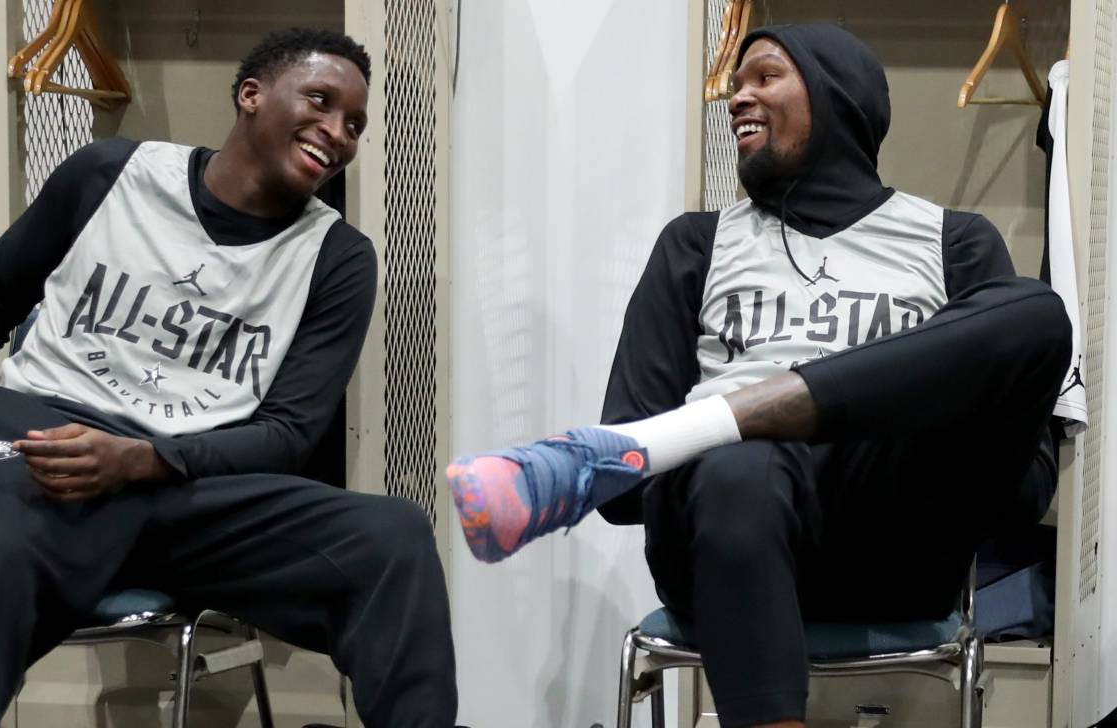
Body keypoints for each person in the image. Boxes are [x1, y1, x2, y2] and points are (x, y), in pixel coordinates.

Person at [446, 24, 1067, 728]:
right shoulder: (696, 244)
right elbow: (625, 498)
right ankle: (731, 433)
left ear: (839, 97)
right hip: (725, 532)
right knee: (742, 466)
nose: (738, 97)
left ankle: (720, 418)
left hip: (895, 542)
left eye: (765, 77)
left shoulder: (954, 242)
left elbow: (1024, 488)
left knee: (1037, 313)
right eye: (736, 85)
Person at [0, 28, 456, 728]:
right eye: (320, 100)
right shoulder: (110, 174)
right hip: (40, 450)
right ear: (251, 94)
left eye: (354, 124)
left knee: (392, 537)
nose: (338, 132)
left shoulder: (338, 258)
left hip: (181, 484)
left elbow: (288, 434)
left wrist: (144, 459)